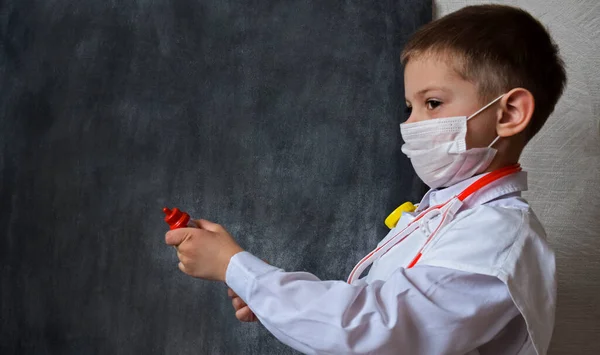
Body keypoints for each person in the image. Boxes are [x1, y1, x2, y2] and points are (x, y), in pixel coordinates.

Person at [165, 4, 566, 354]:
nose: (411, 124)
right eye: (409, 106)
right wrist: (271, 295)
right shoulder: (445, 215)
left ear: (510, 113)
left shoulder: (495, 239)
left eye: (432, 103)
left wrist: (237, 268)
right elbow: (365, 306)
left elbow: (371, 330)